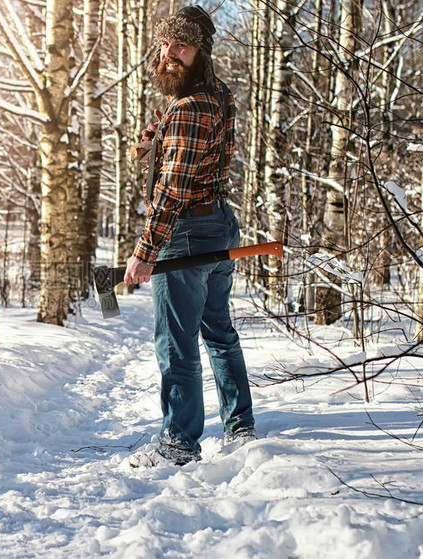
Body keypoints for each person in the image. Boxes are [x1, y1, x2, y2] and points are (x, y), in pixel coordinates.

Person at [124, 6, 256, 467]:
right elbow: (212, 151)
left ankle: (179, 442)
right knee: (219, 331)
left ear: (201, 51)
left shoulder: (188, 108)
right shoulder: (217, 95)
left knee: (176, 344)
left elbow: (172, 191)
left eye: (181, 46)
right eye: (165, 46)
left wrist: (145, 251)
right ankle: (241, 427)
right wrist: (156, 140)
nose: (169, 55)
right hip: (219, 222)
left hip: (186, 234)